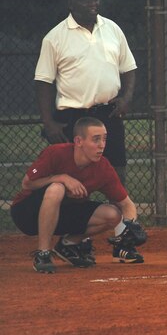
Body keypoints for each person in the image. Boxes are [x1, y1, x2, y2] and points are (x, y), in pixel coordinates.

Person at [35, 0, 136, 186]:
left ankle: (121, 218)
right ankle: (73, 218)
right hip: (73, 118)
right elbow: (43, 82)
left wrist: (126, 98)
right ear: (71, 3)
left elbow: (128, 68)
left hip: (108, 114)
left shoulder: (112, 29)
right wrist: (49, 123)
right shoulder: (54, 37)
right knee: (71, 179)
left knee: (116, 176)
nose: (93, 3)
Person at [10, 117, 147, 273]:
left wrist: (130, 225)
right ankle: (43, 253)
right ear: (79, 141)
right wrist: (61, 177)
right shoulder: (56, 152)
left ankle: (67, 245)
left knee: (113, 214)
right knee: (57, 188)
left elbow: (126, 204)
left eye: (104, 139)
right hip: (27, 213)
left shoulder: (103, 167)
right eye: (96, 139)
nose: (102, 145)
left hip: (62, 214)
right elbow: (27, 183)